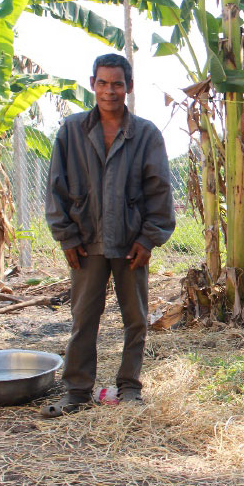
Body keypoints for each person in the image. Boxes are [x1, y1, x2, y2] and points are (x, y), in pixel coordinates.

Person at [41, 54, 175, 418]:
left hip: (132, 244)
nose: (110, 91)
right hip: (85, 242)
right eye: (103, 83)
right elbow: (56, 188)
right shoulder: (72, 130)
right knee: (84, 318)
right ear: (92, 84)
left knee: (135, 319)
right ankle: (78, 391)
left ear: (128, 87)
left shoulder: (145, 134)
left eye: (117, 83)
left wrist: (149, 239)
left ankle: (129, 387)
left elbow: (159, 191)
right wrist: (66, 237)